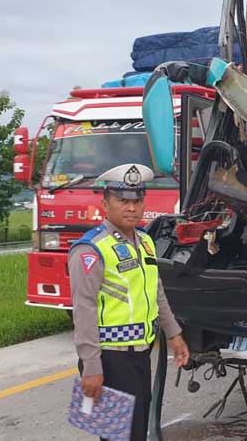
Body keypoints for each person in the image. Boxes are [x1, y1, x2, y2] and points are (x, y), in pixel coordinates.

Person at [68, 163, 190, 441]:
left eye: (137, 201)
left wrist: (174, 334)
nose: (132, 208)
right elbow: (83, 311)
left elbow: (156, 290)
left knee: (135, 432)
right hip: (110, 359)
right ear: (105, 204)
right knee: (117, 437)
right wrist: (92, 367)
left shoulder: (145, 241)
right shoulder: (91, 249)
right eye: (123, 200)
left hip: (139, 356)